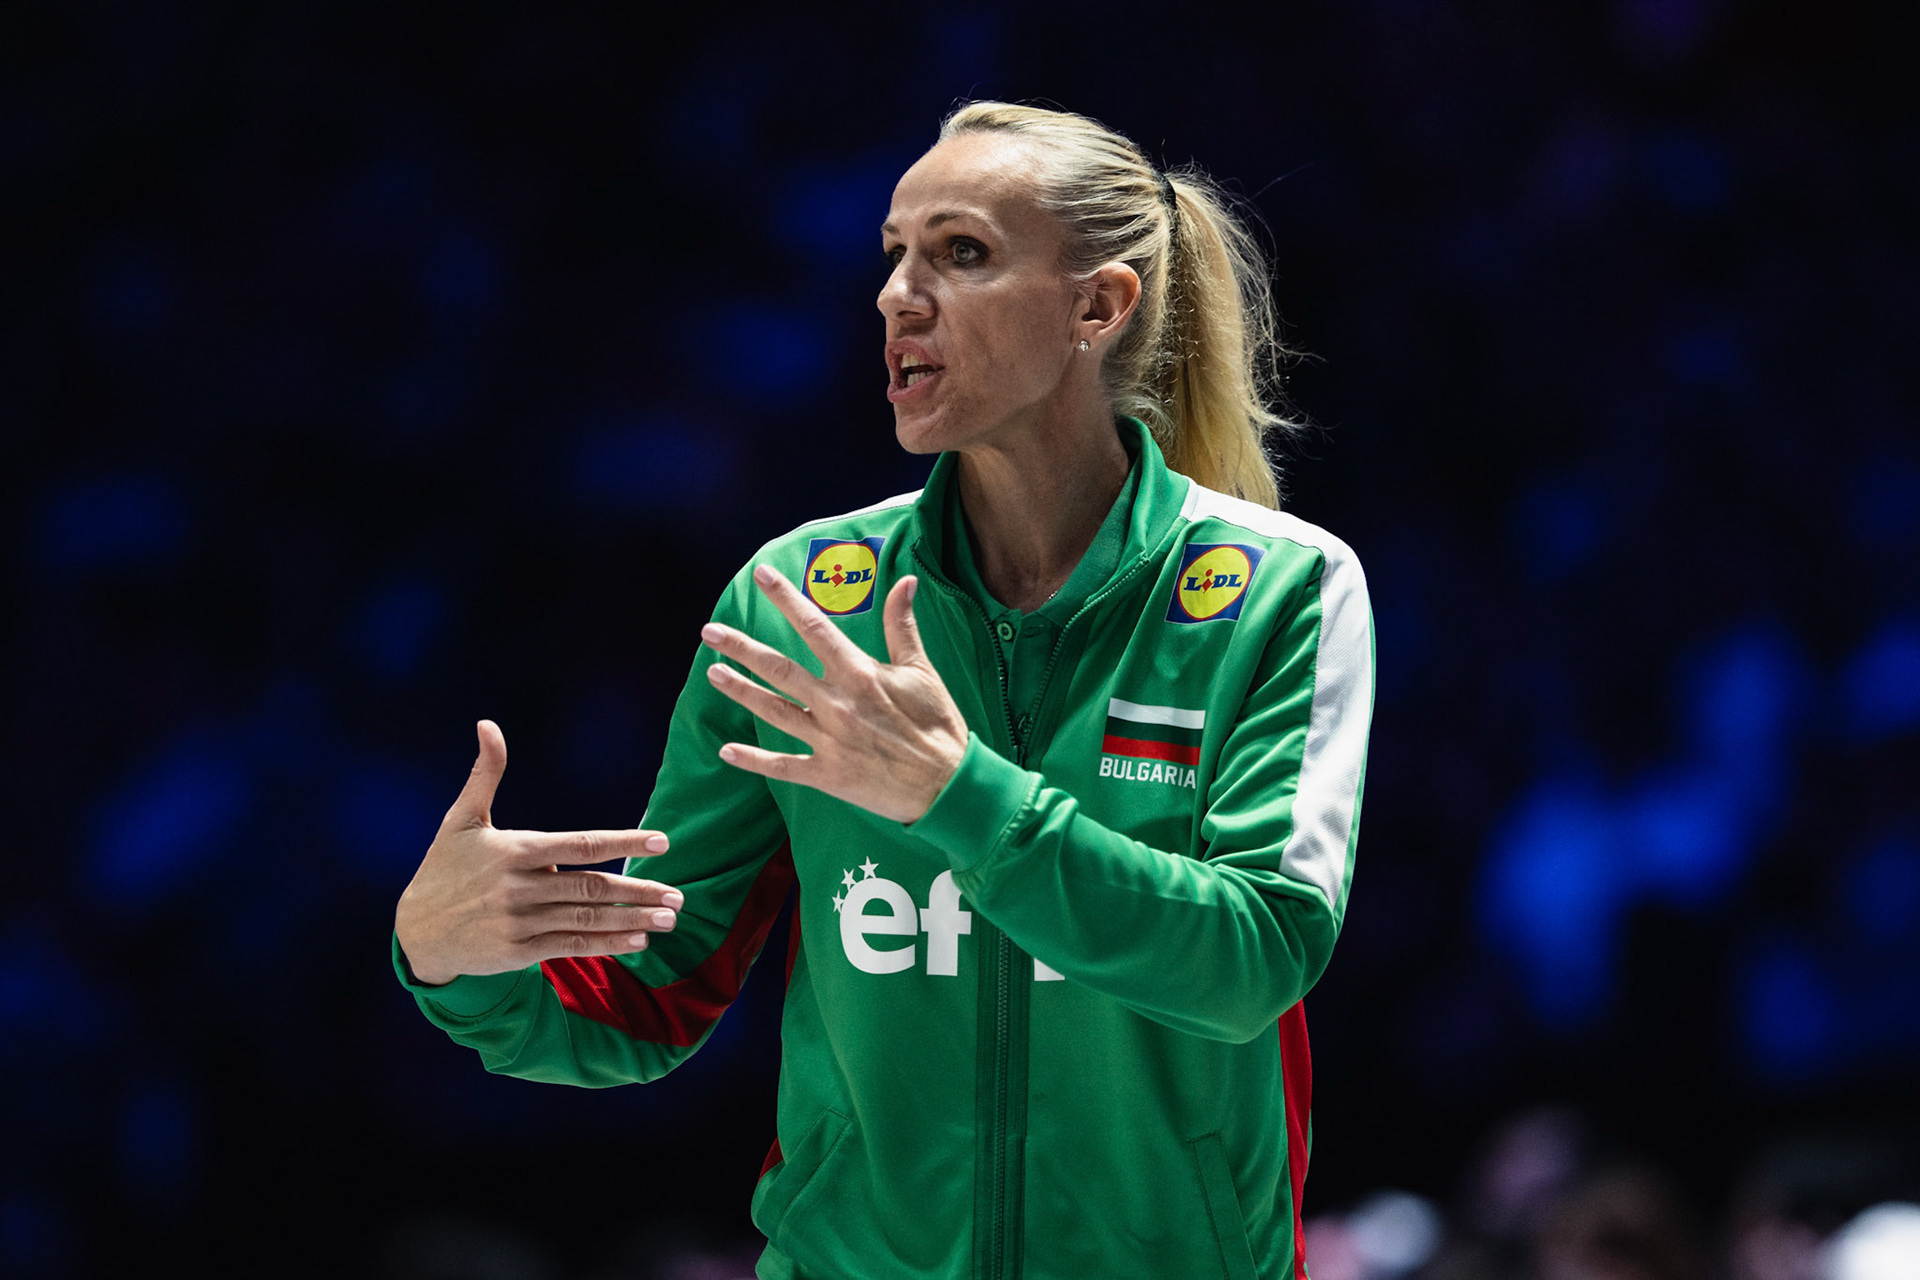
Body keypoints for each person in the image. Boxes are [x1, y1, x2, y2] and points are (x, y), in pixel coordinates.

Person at [394, 101, 1374, 1280]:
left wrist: (964, 797)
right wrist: (455, 957)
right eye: (895, 254)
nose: (898, 293)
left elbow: (1252, 959)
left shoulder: (1281, 589)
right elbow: (652, 992)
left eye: (960, 253)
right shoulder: (798, 600)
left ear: (1097, 307)